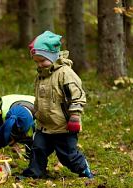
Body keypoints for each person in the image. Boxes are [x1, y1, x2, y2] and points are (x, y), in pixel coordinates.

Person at [23, 30, 93, 179]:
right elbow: (39, 98)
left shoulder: (65, 74)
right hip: (44, 125)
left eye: (43, 60)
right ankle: (34, 173)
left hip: (63, 126)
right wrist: (36, 113)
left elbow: (77, 96)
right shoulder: (41, 75)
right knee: (38, 149)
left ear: (53, 56)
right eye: (36, 61)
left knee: (67, 155)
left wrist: (74, 116)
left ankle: (83, 168)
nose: (40, 64)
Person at [0, 94, 35, 160]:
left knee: (35, 142)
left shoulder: (40, 113)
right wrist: (10, 141)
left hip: (24, 120)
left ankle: (30, 158)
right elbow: (2, 129)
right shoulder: (3, 111)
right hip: (7, 119)